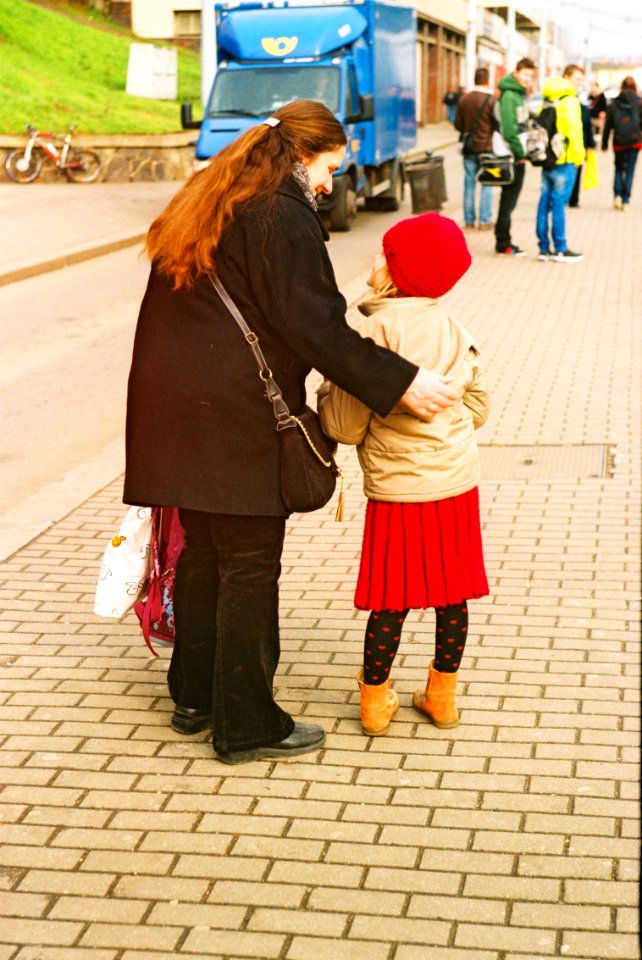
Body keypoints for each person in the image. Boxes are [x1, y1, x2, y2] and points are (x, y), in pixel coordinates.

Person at [123, 100, 460, 766]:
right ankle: (247, 723)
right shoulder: (278, 212)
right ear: (305, 156)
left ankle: (194, 697)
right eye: (333, 167)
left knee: (206, 555)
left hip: (176, 409)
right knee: (248, 565)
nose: (334, 183)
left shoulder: (217, 193)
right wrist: (401, 381)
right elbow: (315, 326)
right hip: (234, 417)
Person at [318, 213, 490, 737]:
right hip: (456, 485)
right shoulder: (455, 331)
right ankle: (442, 697)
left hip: (398, 491)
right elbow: (479, 409)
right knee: (450, 594)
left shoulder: (371, 334)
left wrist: (327, 392)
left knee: (392, 597)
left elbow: (346, 426)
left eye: (382, 255)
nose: (372, 262)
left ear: (396, 274)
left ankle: (374, 704)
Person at [535, 65, 586, 262]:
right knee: (558, 205)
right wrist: (578, 157)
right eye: (577, 78)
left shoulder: (548, 97)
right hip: (564, 159)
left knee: (543, 203)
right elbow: (575, 130)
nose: (579, 83)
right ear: (567, 77)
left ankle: (543, 248)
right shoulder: (570, 100)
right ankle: (561, 248)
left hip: (547, 159)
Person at [494, 57, 537, 256]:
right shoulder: (511, 95)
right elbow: (510, 129)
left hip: (514, 154)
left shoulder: (519, 94)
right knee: (508, 201)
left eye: (531, 75)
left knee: (508, 201)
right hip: (512, 156)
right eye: (526, 74)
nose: (528, 78)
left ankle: (504, 240)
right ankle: (504, 243)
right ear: (517, 72)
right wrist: (521, 154)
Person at [455, 67, 496, 229]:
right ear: (487, 80)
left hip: (469, 147)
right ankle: (485, 220)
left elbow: (458, 124)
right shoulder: (492, 100)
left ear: (474, 80)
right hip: (487, 147)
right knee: (487, 183)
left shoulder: (464, 99)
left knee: (469, 183)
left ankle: (469, 220)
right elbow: (497, 125)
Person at [601, 76, 642, 211]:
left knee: (619, 169)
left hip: (618, 141)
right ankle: (626, 201)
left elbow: (608, 125)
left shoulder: (615, 102)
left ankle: (617, 196)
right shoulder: (639, 102)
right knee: (630, 171)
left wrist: (604, 143)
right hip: (635, 142)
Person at [568, 98, 596, 207]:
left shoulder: (562, 107)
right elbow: (588, 128)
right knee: (576, 173)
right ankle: (573, 200)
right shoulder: (584, 109)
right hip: (580, 145)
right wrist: (590, 145)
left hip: (568, 146)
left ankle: (569, 197)